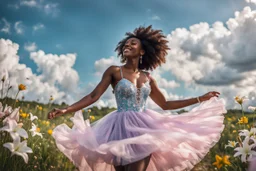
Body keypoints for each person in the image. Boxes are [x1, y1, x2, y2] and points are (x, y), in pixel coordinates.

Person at [48, 25, 226, 171]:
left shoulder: (148, 78)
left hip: (144, 129)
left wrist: (200, 98)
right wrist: (66, 109)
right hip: (117, 129)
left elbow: (165, 104)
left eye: (133, 43)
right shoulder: (114, 71)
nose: (128, 45)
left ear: (142, 52)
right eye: (125, 44)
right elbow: (94, 96)